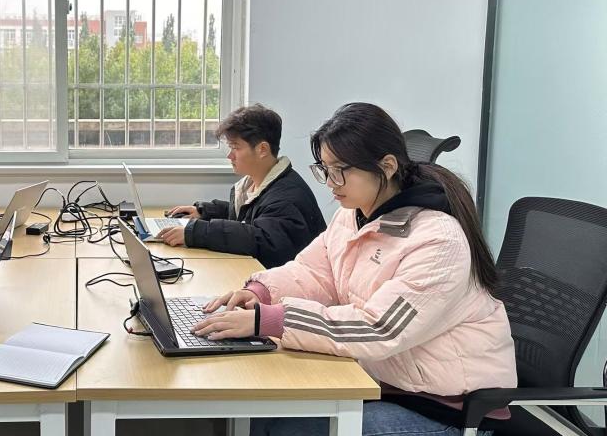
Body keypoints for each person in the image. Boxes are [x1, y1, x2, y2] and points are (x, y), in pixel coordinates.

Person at [192, 103, 516, 435]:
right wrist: (259, 293)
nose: (330, 183)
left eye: (340, 170)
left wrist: (271, 319)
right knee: (262, 412)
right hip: (383, 382)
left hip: (445, 408)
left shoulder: (437, 241)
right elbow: (315, 272)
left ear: (387, 166)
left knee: (287, 427)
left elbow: (378, 328)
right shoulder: (352, 215)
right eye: (325, 169)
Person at [159, 103, 326, 268]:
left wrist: (196, 232)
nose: (230, 156)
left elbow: (260, 239)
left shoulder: (287, 197)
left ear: (262, 149)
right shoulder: (256, 183)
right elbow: (248, 218)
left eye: (235, 148)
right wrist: (204, 212)